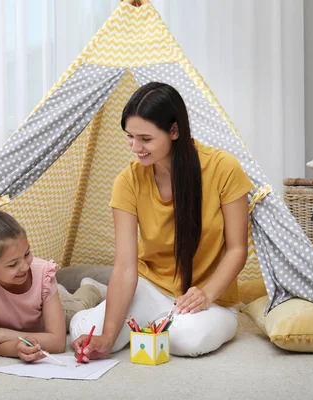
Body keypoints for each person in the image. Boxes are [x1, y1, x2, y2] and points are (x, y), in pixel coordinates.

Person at [70, 82, 254, 359]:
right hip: (149, 287)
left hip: (209, 298)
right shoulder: (128, 180)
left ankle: (151, 321)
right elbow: (125, 265)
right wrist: (107, 336)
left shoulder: (223, 168)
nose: (135, 147)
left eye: (145, 139)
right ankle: (121, 308)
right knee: (83, 329)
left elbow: (237, 249)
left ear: (174, 131)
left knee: (185, 340)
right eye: (130, 137)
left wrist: (206, 294)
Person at [0, 209, 107, 362]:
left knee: (78, 308)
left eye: (26, 254)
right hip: (32, 318)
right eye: (12, 264)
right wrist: (17, 348)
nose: (25, 267)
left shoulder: (43, 273)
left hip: (53, 310)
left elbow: (58, 342)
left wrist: (0, 334)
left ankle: (91, 287)